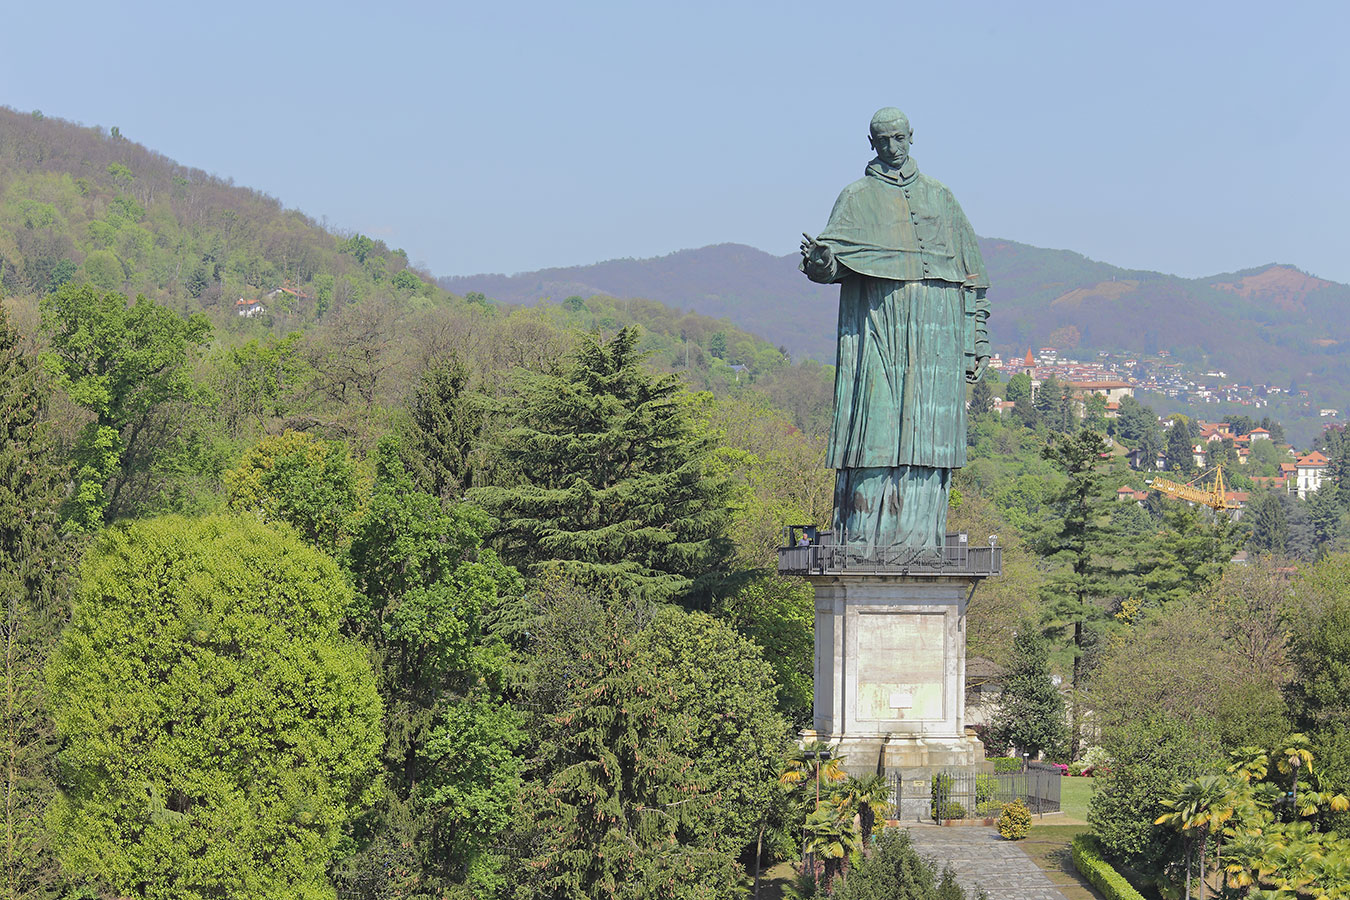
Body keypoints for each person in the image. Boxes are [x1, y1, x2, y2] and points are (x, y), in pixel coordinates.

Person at [800, 107, 990, 556]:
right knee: (875, 431)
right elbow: (827, 265)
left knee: (930, 438)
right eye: (882, 140)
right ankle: (864, 537)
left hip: (936, 338)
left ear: (911, 137)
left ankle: (920, 539)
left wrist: (974, 343)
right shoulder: (856, 197)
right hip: (878, 333)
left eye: (898, 138)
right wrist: (822, 260)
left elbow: (973, 280)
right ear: (871, 143)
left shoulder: (941, 198)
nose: (892, 147)